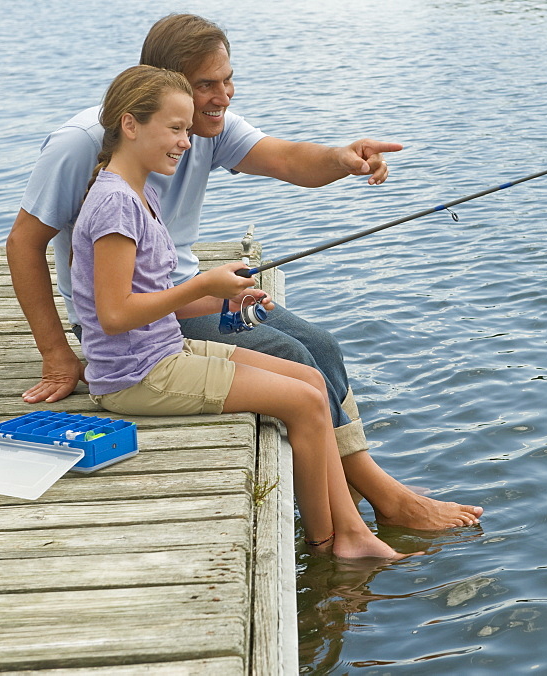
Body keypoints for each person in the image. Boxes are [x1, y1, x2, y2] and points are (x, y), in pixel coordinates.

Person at [8, 13, 483, 530]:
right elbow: (22, 246)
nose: (224, 96)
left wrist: (342, 158)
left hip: (189, 295)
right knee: (290, 354)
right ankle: (378, 497)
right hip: (134, 319)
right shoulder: (82, 142)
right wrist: (58, 356)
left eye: (228, 79)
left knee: (320, 344)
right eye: (207, 84)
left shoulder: (204, 127)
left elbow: (289, 161)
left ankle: (355, 489)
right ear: (164, 87)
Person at [73, 64, 408, 559]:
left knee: (310, 382)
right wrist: (205, 281)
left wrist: (223, 299)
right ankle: (329, 544)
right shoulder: (117, 205)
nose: (186, 143)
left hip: (165, 351)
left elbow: (153, 297)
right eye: (175, 129)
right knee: (302, 403)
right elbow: (115, 314)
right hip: (136, 375)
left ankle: (352, 529)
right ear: (129, 125)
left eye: (188, 131)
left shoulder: (138, 193)